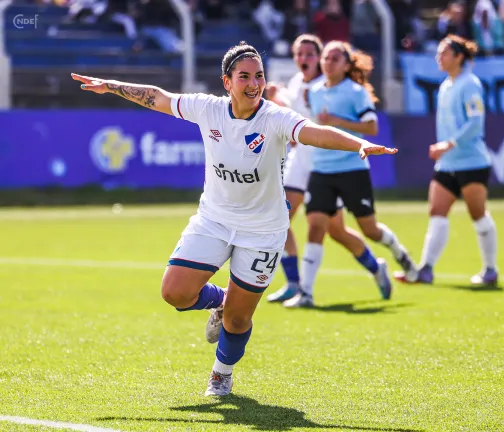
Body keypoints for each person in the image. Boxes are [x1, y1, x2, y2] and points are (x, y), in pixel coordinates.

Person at [71, 41, 397, 397]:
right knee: (175, 293)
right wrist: (111, 86)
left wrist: (357, 144)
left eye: (259, 76)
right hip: (213, 220)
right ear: (227, 82)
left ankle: (221, 373)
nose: (254, 84)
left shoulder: (275, 117)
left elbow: (315, 132)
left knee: (238, 319)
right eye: (244, 76)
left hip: (263, 231)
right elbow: (158, 97)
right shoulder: (207, 109)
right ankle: (221, 298)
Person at [283, 40, 415, 308]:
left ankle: (399, 254)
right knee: (316, 226)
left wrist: (338, 122)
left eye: (335, 59)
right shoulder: (312, 92)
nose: (328, 63)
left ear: (346, 65)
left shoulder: (355, 91)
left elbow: (372, 126)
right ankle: (305, 293)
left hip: (351, 169)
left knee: (370, 230)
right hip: (321, 169)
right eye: (326, 58)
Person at [393, 35, 498, 286]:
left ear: (459, 57)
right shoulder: (445, 86)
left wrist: (448, 144)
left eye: (444, 53)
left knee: (478, 214)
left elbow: (475, 123)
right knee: (436, 212)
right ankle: (426, 269)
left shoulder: (469, 84)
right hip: (447, 163)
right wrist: (445, 149)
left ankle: (490, 270)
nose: (438, 57)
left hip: (471, 162)